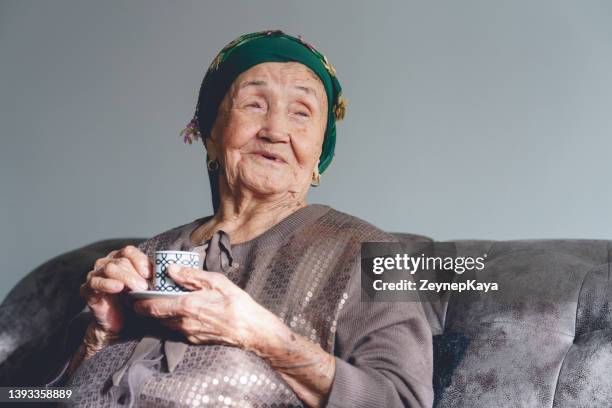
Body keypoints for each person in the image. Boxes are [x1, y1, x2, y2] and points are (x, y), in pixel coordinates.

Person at [48, 30, 434, 407]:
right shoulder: (149, 255)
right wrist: (99, 336)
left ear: (319, 155)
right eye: (254, 105)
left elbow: (401, 400)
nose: (276, 130)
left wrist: (266, 340)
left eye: (301, 113)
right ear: (211, 133)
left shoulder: (371, 253)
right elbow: (34, 397)